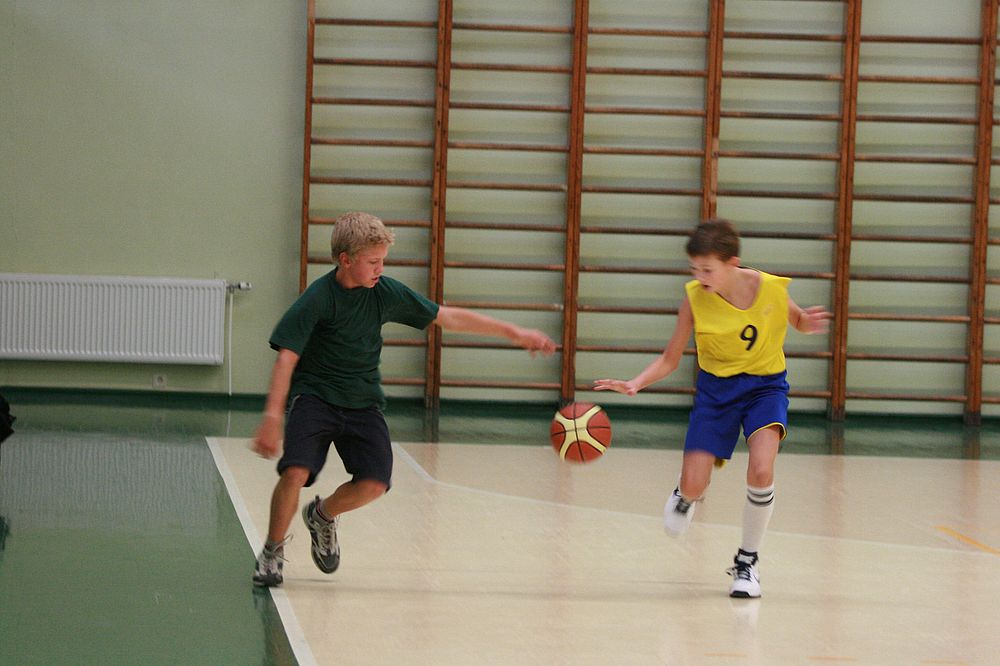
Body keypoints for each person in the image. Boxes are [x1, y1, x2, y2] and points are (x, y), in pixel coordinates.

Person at [251, 211, 556, 587]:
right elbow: (287, 357)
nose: (380, 269)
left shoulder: (384, 292)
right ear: (345, 260)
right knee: (295, 472)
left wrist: (515, 332)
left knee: (374, 484)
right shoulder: (319, 298)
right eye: (373, 262)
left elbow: (447, 317)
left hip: (362, 400)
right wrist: (271, 417)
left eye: (383, 261)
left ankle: (322, 516)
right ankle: (272, 552)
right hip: (316, 396)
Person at [593, 219, 830, 598]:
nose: (699, 277)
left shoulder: (769, 288)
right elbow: (670, 359)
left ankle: (747, 562)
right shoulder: (694, 299)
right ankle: (685, 495)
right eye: (694, 269)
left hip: (765, 387)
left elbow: (797, 319)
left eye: (707, 269)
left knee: (762, 468)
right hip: (716, 391)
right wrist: (636, 382)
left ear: (732, 263)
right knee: (694, 483)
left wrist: (808, 323)